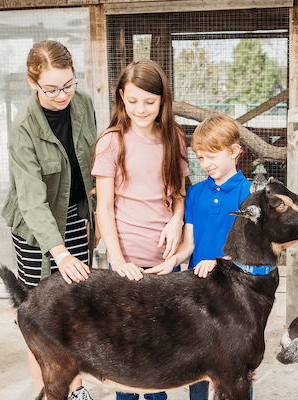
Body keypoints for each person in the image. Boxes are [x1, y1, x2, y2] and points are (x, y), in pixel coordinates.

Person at [2, 40, 96, 400]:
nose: (62, 95)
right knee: (36, 315)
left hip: (75, 215)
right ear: (32, 82)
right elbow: (32, 201)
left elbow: (92, 167)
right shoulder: (23, 128)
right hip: (34, 228)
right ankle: (44, 392)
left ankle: (76, 389)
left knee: (74, 308)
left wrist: (97, 214)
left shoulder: (83, 104)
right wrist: (59, 252)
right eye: (52, 88)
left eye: (69, 84)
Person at [92, 59, 189, 400]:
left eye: (149, 101)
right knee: (128, 351)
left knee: (161, 347)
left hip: (164, 262)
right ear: (121, 98)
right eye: (133, 101)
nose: (141, 109)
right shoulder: (111, 142)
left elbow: (178, 192)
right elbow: (103, 207)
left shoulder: (174, 137)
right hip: (127, 263)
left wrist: (177, 219)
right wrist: (117, 261)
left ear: (163, 100)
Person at [145, 113, 252, 400]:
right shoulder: (194, 193)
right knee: (199, 363)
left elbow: (251, 248)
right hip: (199, 293)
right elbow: (189, 244)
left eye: (213, 156)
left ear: (234, 151)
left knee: (236, 365)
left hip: (235, 295)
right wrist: (172, 261)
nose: (206, 164)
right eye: (201, 158)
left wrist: (220, 262)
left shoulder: (250, 192)